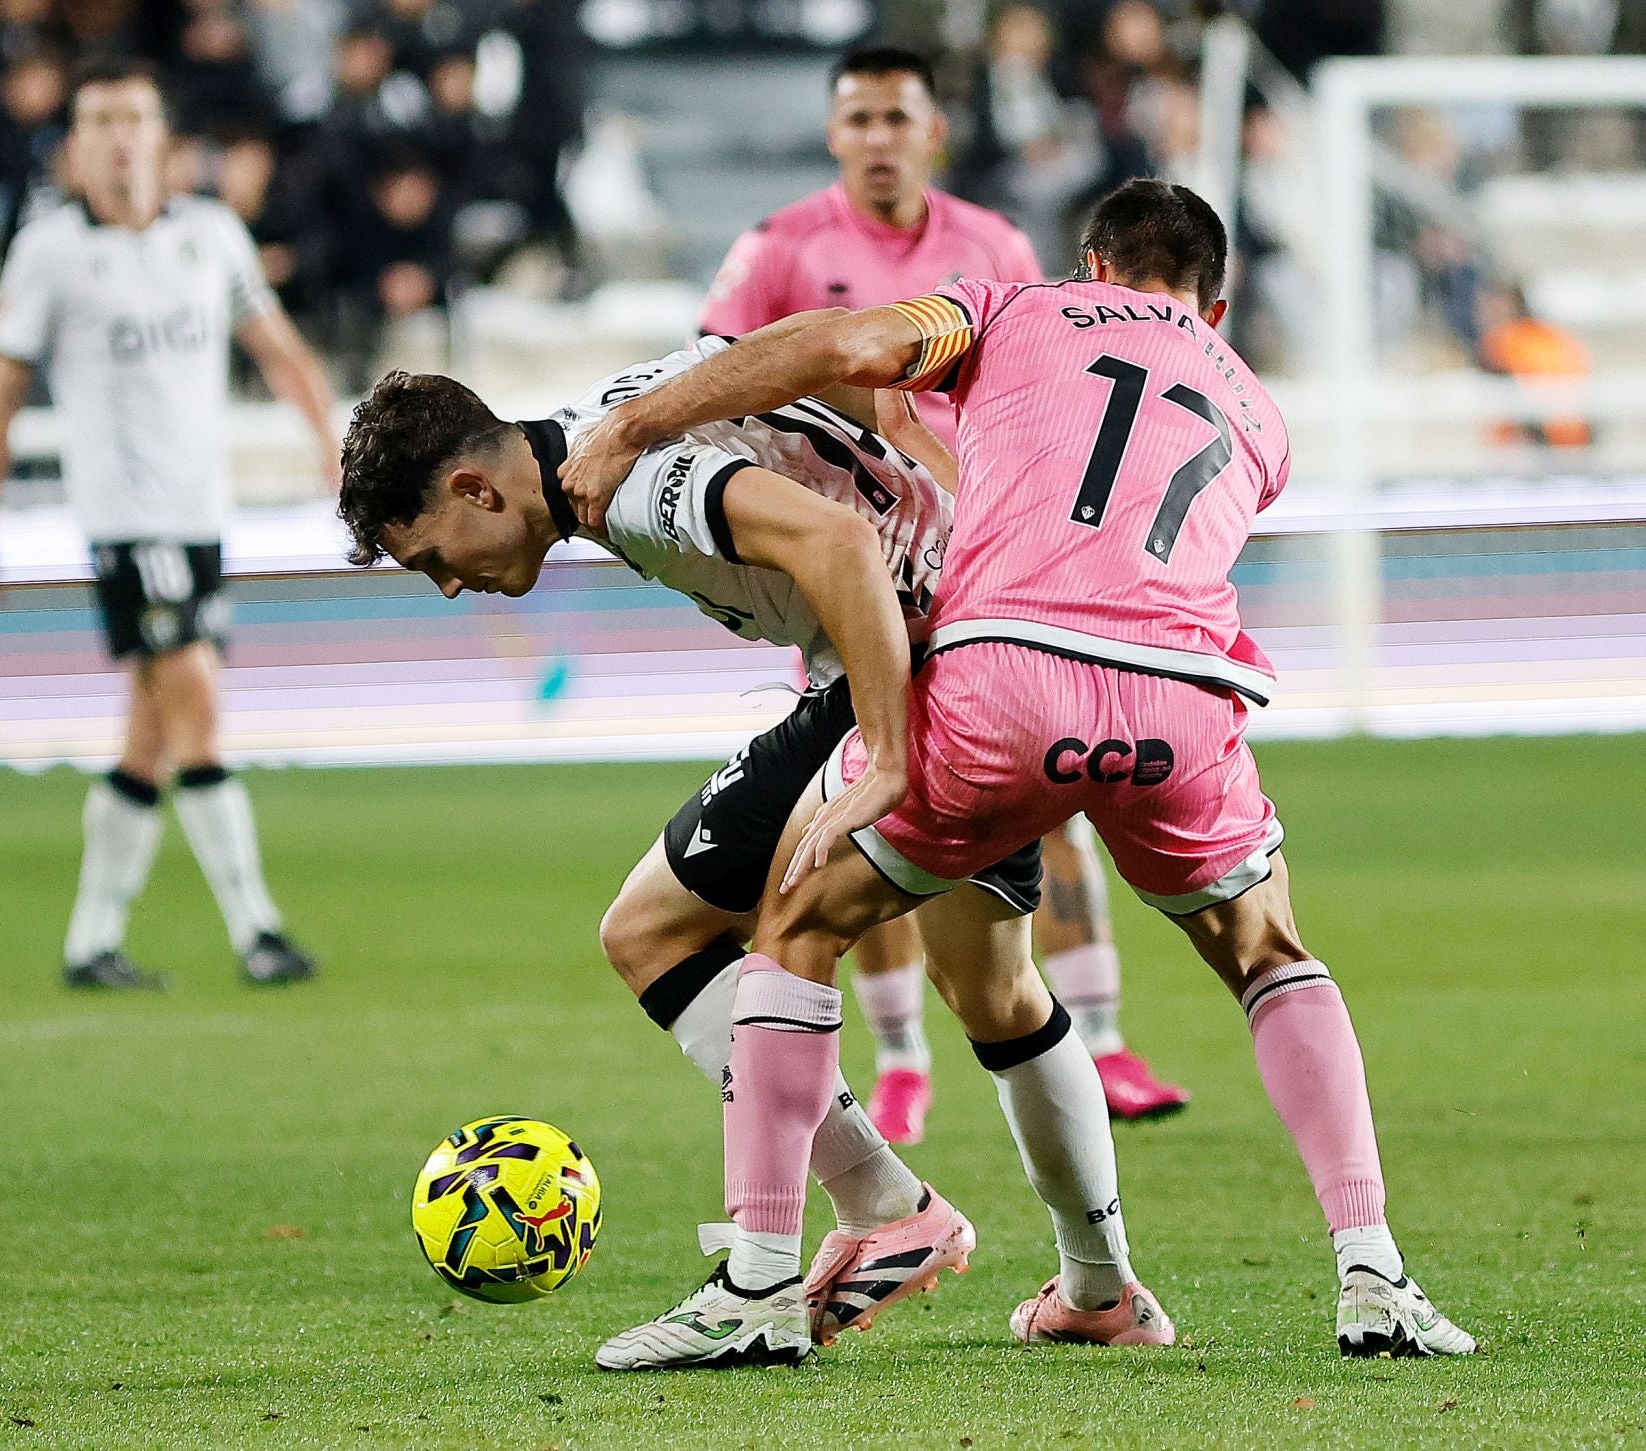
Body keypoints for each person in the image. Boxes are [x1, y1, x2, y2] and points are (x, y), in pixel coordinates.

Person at [562, 179, 1475, 1360]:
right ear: (1221, 302)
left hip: (1004, 681)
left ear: (1091, 265)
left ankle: (757, 1285)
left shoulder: (1014, 309)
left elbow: (844, 345)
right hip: (1180, 699)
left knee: (797, 915)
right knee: (1268, 953)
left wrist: (634, 426)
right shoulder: (1258, 410)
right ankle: (1372, 1275)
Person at [336, 352, 1171, 1370]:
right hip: (1004, 646)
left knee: (656, 929)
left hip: (921, 663)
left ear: (476, 488)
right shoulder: (620, 414)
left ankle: (791, 1262)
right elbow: (808, 373)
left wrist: (887, 750)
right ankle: (1099, 1285)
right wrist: (930, 471)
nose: (451, 586)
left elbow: (838, 538)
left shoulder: (633, 485)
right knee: (994, 988)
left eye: (433, 558)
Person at [702, 44, 1187, 1135]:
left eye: (895, 117)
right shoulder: (780, 248)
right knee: (871, 783)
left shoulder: (993, 246)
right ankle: (903, 1054)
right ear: (836, 135)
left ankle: (1104, 1038)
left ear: (933, 132)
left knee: (1049, 783)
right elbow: (714, 376)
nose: (878, 137)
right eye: (859, 118)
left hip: (986, 555)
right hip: (855, 563)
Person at [0, 56, 339, 990]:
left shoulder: (211, 236)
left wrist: (335, 450)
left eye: (134, 116)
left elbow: (280, 350)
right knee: (197, 709)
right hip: (128, 523)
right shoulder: (48, 252)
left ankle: (91, 942)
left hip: (203, 516)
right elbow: (0, 397)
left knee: (150, 734)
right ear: (75, 146)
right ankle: (258, 930)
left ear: (164, 137)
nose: (120, 136)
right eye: (99, 120)